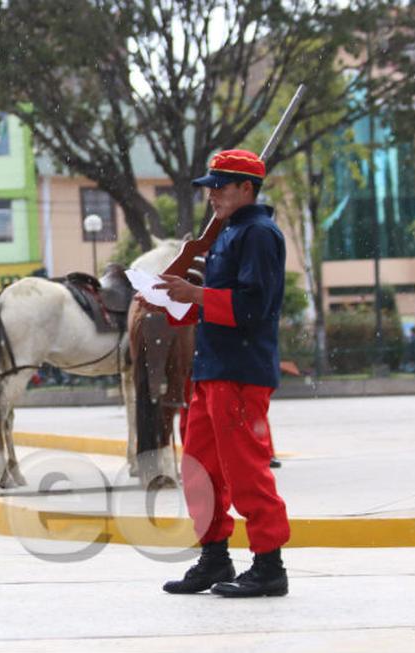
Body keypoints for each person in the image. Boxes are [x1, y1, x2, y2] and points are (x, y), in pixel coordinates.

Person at [147, 149, 290, 598]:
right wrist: (177, 299)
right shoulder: (231, 234)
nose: (211, 195)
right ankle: (214, 557)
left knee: (247, 471)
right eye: (210, 186)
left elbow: (252, 306)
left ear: (246, 189)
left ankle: (269, 565)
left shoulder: (260, 234)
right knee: (200, 469)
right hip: (212, 368)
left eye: (220, 186)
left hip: (240, 371)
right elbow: (217, 303)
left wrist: (196, 292)